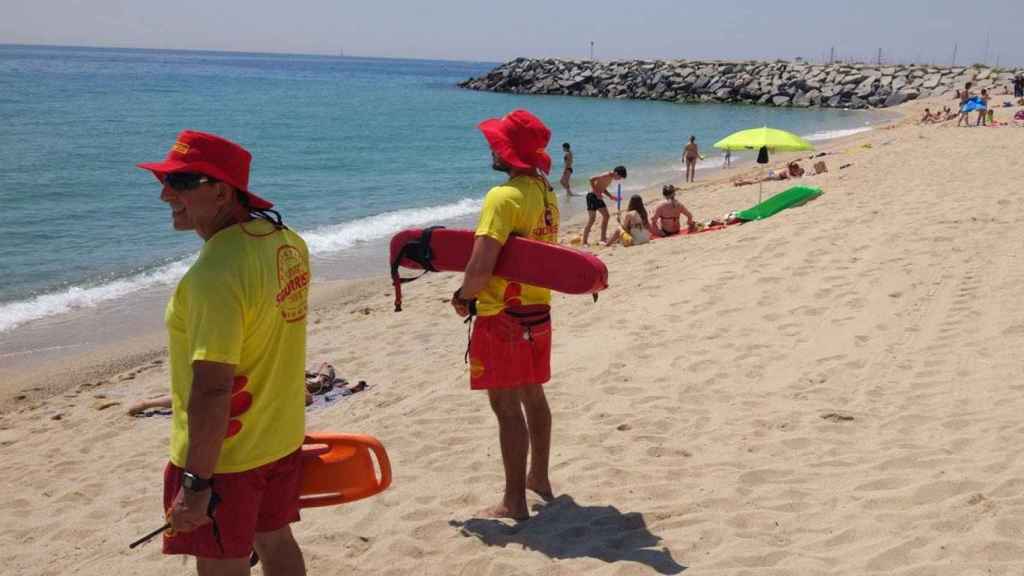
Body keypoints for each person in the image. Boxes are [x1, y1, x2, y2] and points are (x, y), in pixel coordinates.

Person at [138, 130, 311, 574]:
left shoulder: (213, 275)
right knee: (276, 542)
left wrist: (196, 483)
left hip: (227, 458)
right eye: (165, 181)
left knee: (222, 565)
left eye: (179, 183)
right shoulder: (287, 242)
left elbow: (213, 388)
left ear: (220, 191)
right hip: (280, 439)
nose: (164, 195)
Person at [450, 109, 559, 521]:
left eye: (496, 144)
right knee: (533, 395)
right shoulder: (545, 193)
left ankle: (514, 501)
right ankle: (539, 479)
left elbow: (480, 268)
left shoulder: (503, 197)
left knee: (506, 408)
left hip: (502, 316)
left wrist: (462, 296)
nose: (490, 149)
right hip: (538, 310)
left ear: (508, 152)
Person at [583, 166, 627, 245]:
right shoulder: (606, 175)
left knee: (605, 216)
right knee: (593, 219)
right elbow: (591, 179)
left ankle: (602, 238)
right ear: (616, 173)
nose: (619, 179)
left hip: (595, 196)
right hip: (592, 196)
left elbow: (602, 188)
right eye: (620, 177)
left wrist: (611, 196)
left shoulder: (610, 178)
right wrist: (596, 192)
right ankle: (585, 241)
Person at [733, 162, 804, 187]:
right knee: (756, 181)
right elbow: (789, 178)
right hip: (772, 176)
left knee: (756, 178)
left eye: (797, 168)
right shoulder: (787, 171)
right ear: (792, 168)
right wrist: (798, 177)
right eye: (795, 169)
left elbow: (798, 172)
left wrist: (799, 174)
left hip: (773, 172)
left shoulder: (790, 170)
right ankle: (740, 183)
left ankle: (741, 181)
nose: (796, 170)